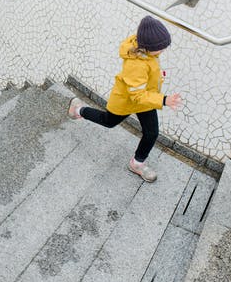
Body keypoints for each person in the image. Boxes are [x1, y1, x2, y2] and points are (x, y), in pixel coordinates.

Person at [68, 15, 182, 182]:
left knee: (151, 133)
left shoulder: (147, 51)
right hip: (128, 101)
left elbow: (145, 83)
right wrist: (164, 100)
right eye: (160, 48)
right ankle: (78, 109)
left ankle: (137, 164)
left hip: (146, 100)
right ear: (148, 47)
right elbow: (137, 95)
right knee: (108, 121)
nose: (163, 50)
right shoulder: (136, 64)